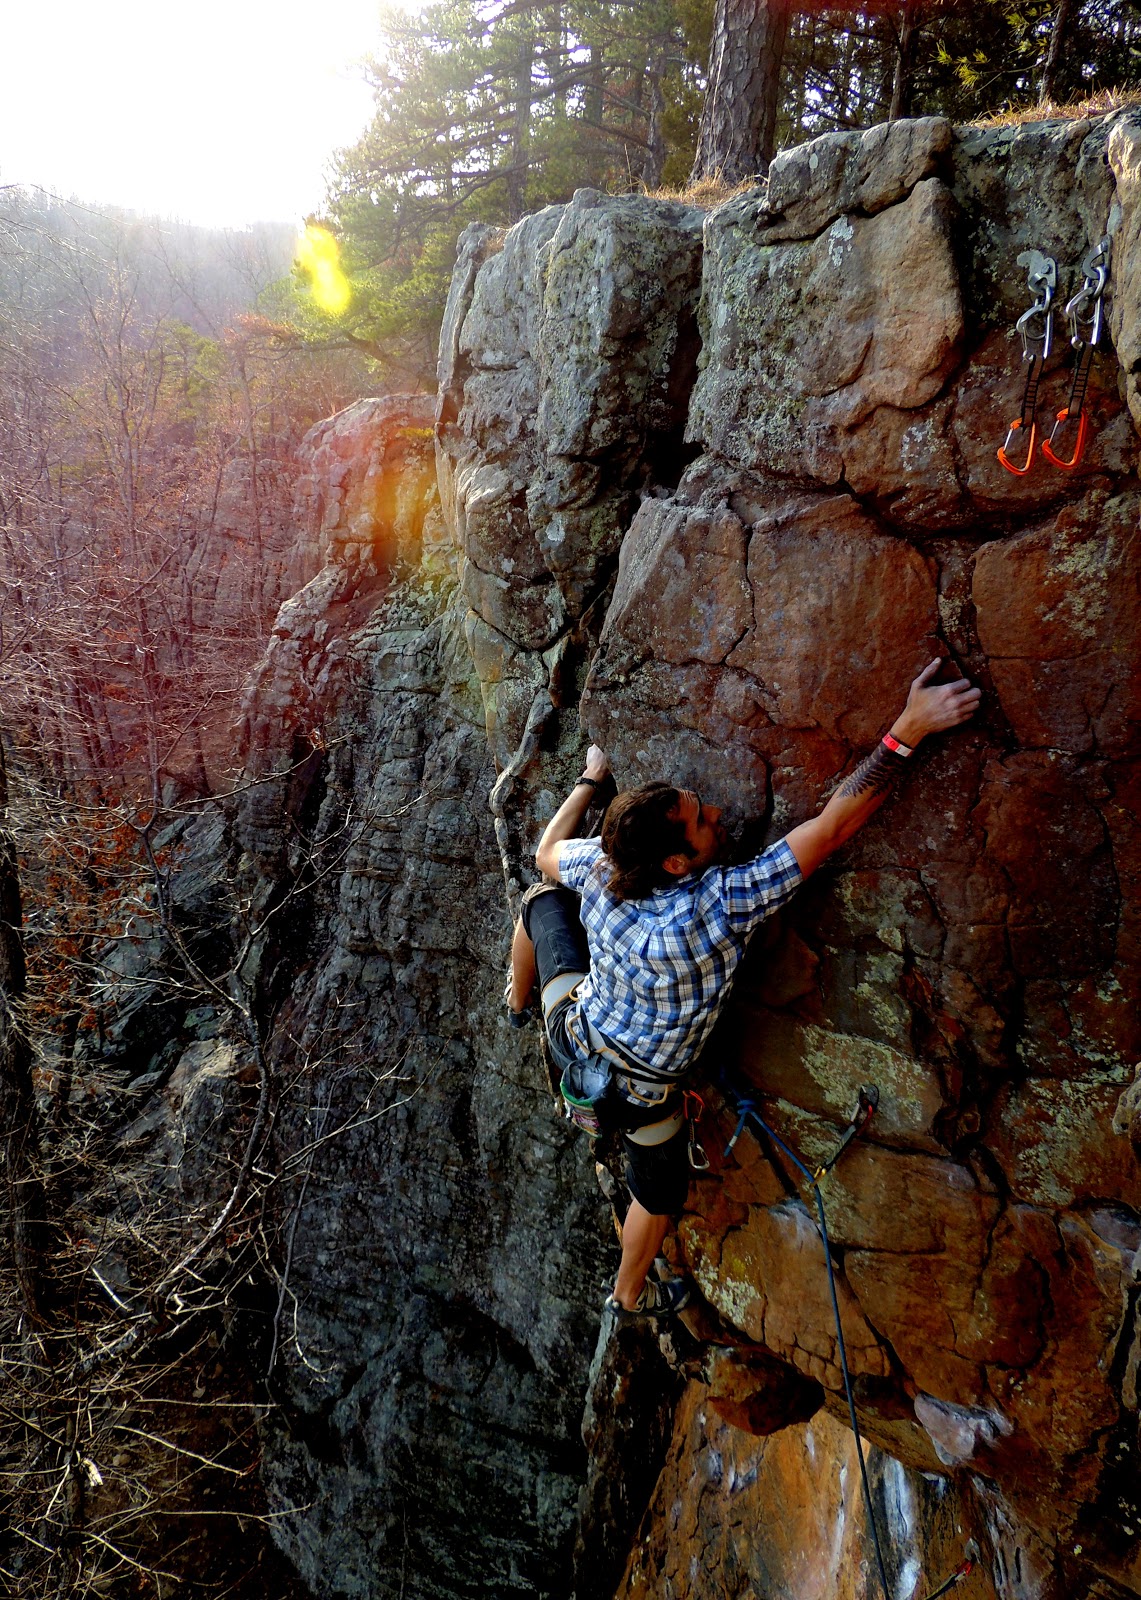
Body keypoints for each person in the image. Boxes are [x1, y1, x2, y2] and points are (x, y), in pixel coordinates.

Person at [507, 660, 981, 1317]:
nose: (716, 813)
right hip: (642, 1094)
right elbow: (831, 828)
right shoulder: (720, 905)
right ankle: (625, 1294)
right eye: (702, 820)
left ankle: (516, 1000)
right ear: (676, 863)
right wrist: (908, 728)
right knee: (657, 1194)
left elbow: (545, 852)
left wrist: (590, 779)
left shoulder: (599, 865)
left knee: (539, 900)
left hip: (571, 1039)